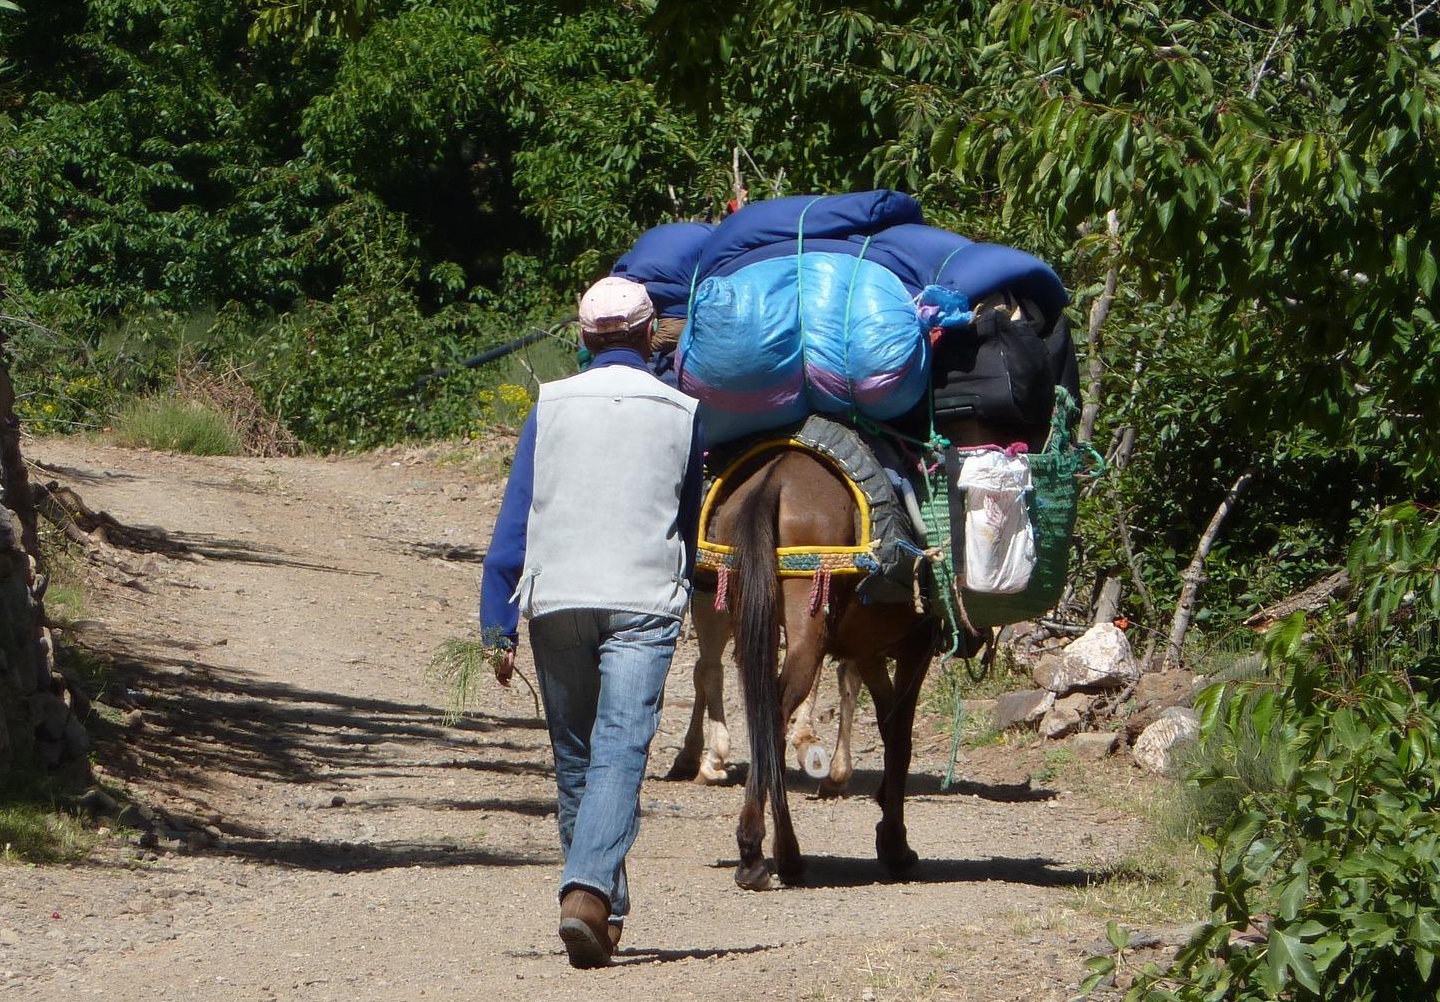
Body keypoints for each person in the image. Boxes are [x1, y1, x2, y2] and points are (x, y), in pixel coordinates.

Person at [479, 276, 704, 969]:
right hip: (643, 599)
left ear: (582, 337)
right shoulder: (682, 412)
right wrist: (691, 587)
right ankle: (586, 892)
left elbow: (517, 518)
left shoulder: (550, 405)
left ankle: (603, 913)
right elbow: (689, 521)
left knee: (577, 754)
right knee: (620, 751)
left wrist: (496, 621)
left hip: (558, 596)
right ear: (650, 335)